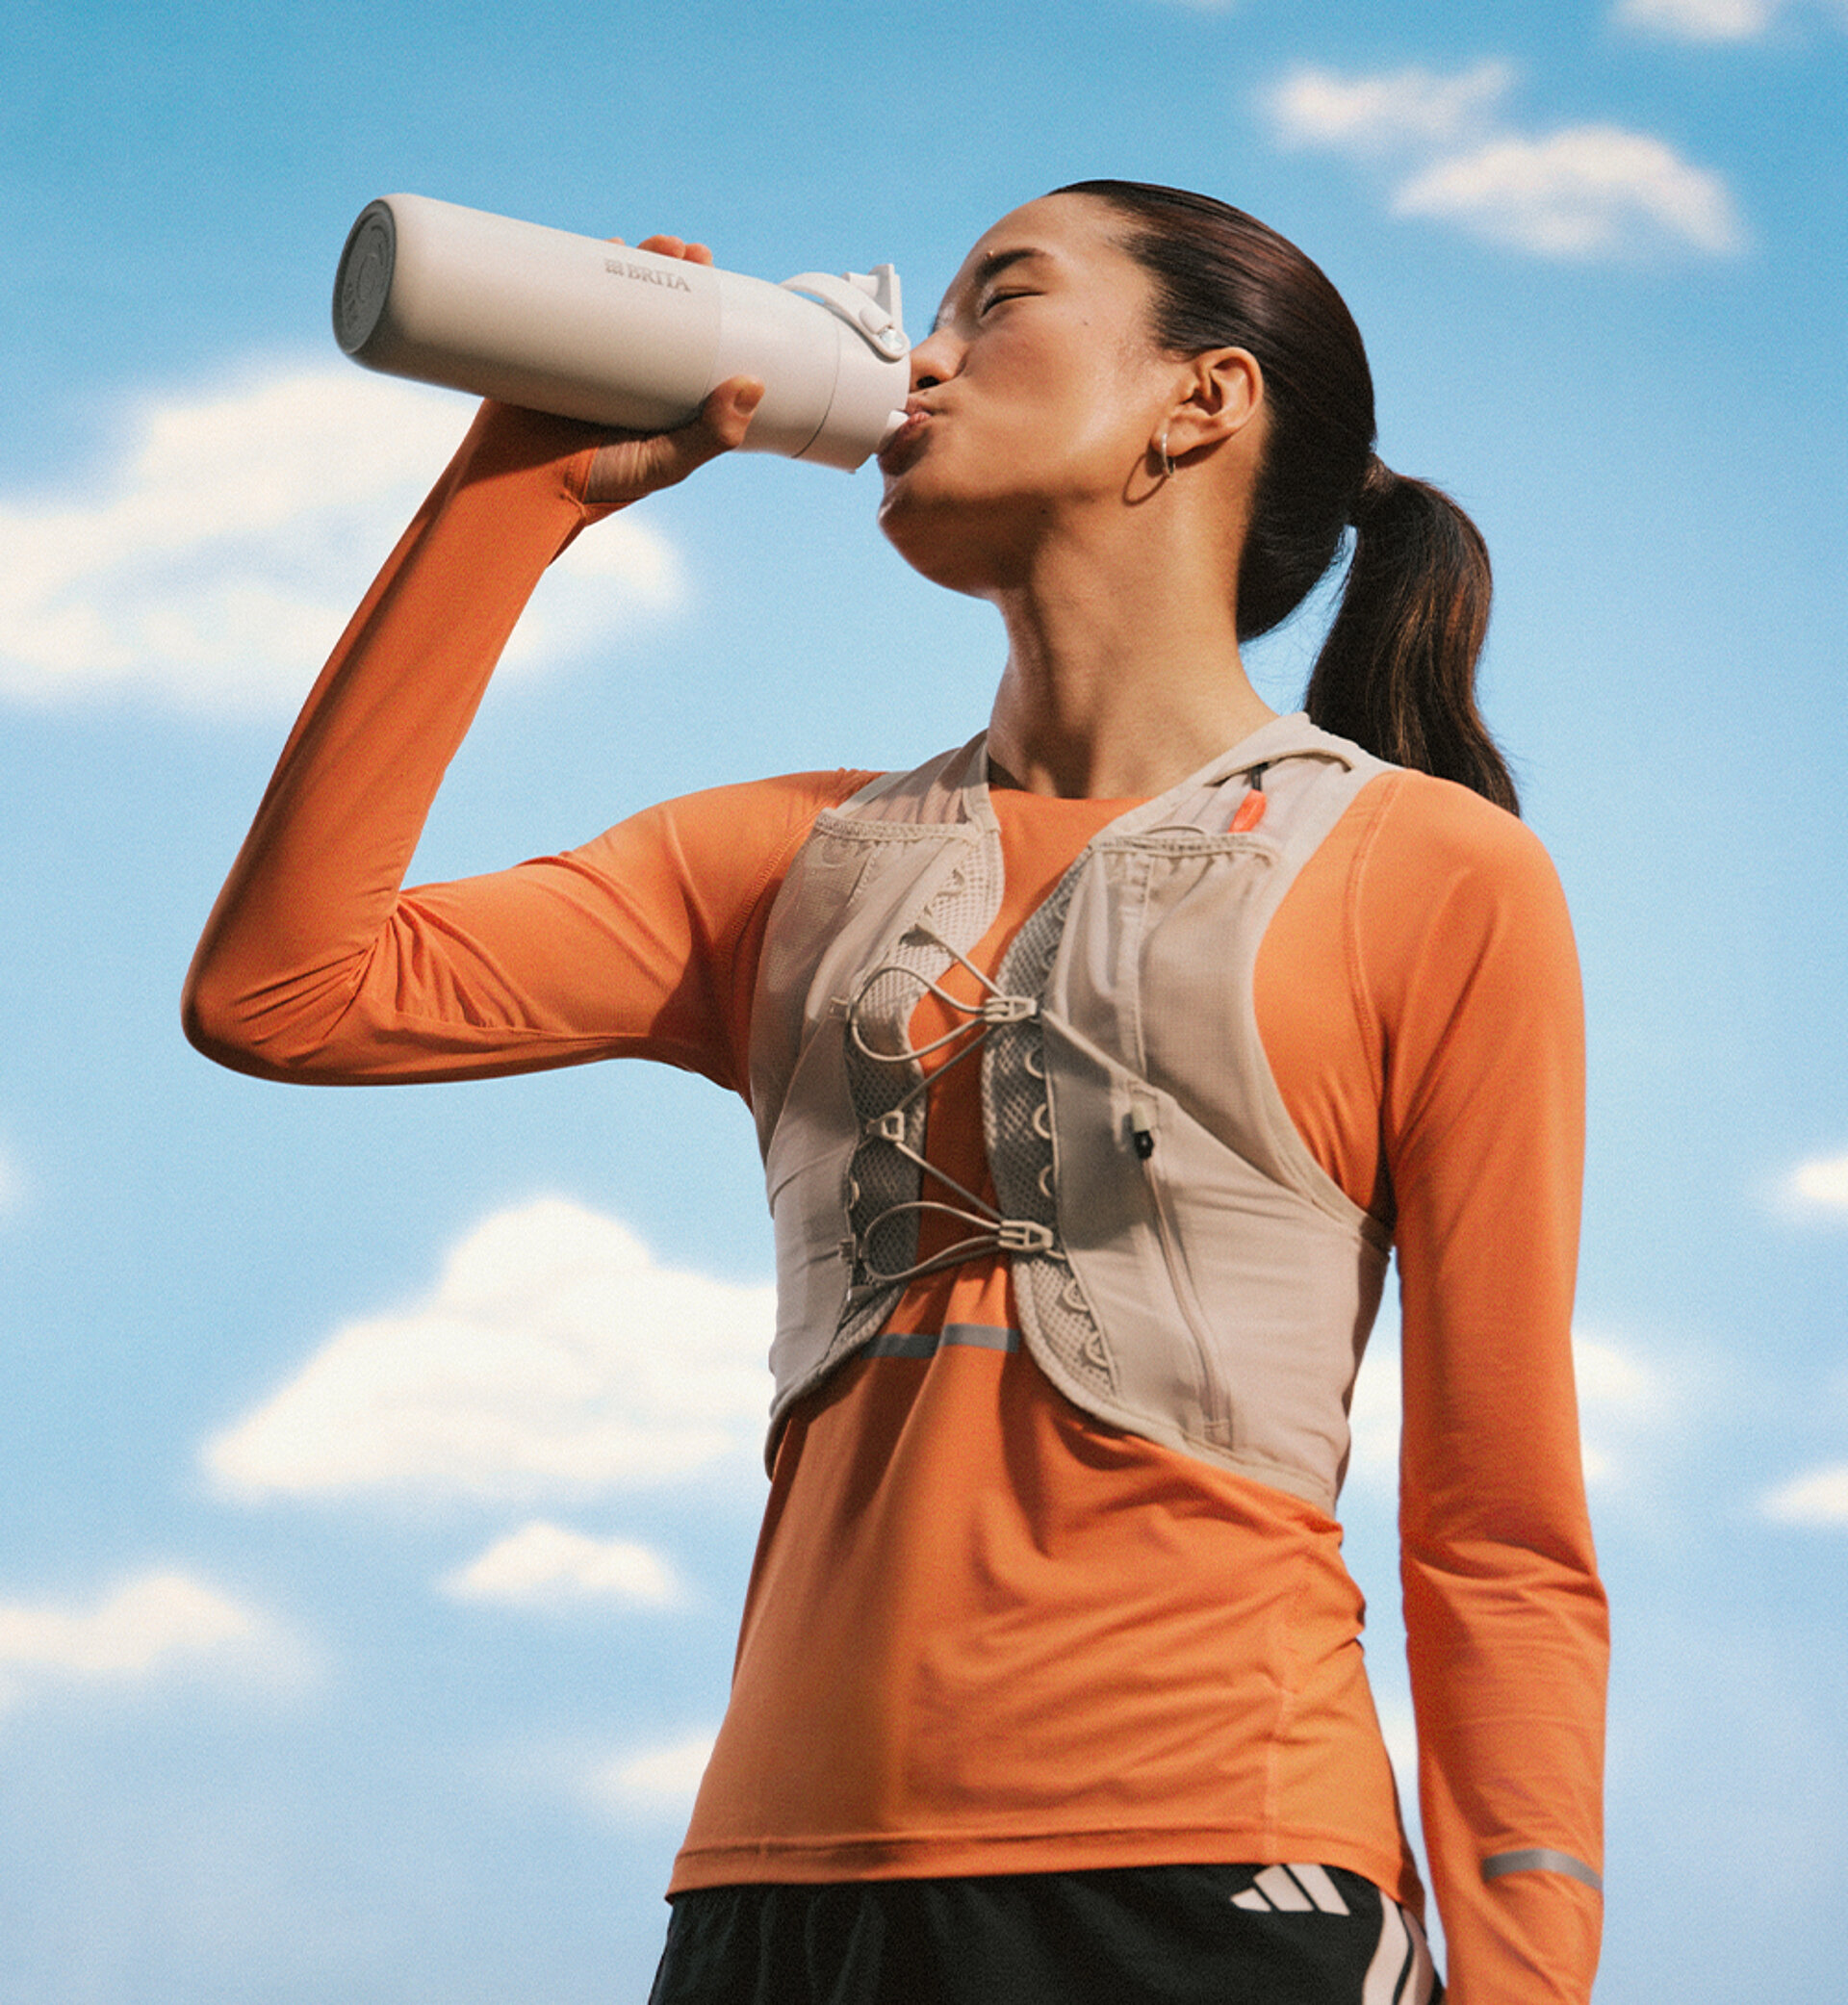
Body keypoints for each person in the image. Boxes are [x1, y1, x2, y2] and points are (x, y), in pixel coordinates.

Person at [185, 181, 1607, 2004]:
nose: (917, 359)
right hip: (770, 1895)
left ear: (1202, 401)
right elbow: (284, 995)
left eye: (995, 302)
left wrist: (1527, 1972)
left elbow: (1498, 1529)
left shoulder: (1431, 872)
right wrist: (511, 498)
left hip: (1212, 1870)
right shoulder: (789, 860)